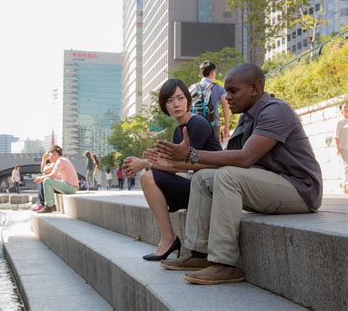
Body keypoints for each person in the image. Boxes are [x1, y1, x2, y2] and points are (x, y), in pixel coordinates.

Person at [155, 64, 322, 285]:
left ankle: (224, 264)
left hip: (300, 189)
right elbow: (230, 157)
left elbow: (245, 158)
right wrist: (184, 158)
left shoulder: (275, 110)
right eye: (226, 91)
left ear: (254, 89)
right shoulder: (247, 117)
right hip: (269, 183)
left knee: (227, 176)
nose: (226, 97)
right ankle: (198, 254)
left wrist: (191, 155)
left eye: (233, 91)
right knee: (204, 177)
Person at [124, 78, 222, 261]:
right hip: (198, 187)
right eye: (170, 101)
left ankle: (169, 240)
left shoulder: (198, 123)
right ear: (164, 106)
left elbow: (188, 163)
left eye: (180, 98)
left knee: (148, 175)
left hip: (214, 188)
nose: (176, 104)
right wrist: (148, 162)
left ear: (188, 100)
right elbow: (172, 166)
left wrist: (146, 163)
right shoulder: (179, 131)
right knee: (148, 177)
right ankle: (168, 238)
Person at [189, 61, 231, 141]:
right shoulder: (218, 88)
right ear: (212, 73)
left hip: (195, 124)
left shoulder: (191, 88)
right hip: (213, 124)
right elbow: (226, 107)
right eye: (215, 72)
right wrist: (227, 127)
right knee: (214, 151)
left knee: (196, 150)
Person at [33, 145, 79, 213]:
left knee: (47, 180)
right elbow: (45, 171)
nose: (48, 158)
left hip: (71, 188)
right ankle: (51, 205)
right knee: (46, 180)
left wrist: (41, 178)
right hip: (68, 186)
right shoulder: (59, 161)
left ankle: (49, 206)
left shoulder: (61, 160)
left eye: (49, 155)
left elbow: (53, 175)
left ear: (55, 153)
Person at [335, 102, 348, 193]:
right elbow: (336, 136)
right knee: (346, 166)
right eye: (345, 107)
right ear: (341, 110)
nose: (346, 108)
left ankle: (342, 183)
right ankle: (346, 186)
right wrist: (337, 148)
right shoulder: (339, 122)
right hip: (344, 148)